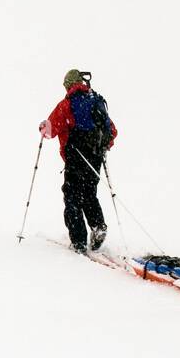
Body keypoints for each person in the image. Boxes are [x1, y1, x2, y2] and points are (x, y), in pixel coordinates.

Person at [39, 69, 117, 253]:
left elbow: (50, 130)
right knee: (89, 193)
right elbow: (112, 132)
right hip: (95, 158)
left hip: (75, 158)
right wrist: (99, 146)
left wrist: (43, 127)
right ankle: (98, 227)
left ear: (69, 85)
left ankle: (79, 241)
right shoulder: (96, 102)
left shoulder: (66, 105)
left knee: (73, 197)